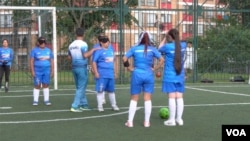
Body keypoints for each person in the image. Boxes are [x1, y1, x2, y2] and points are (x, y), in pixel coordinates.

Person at [122, 31, 164, 127]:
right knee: (147, 98)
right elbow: (162, 60)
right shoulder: (152, 49)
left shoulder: (134, 48)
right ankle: (146, 122)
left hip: (137, 74)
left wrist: (129, 68)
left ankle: (130, 122)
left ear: (139, 38)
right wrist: (155, 68)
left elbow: (124, 58)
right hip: (148, 75)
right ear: (149, 39)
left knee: (134, 99)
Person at [158, 28, 187, 126]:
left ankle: (172, 120)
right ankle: (179, 119)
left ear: (170, 37)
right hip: (180, 75)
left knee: (171, 97)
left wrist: (164, 38)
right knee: (179, 97)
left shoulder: (167, 46)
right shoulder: (183, 45)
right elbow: (180, 42)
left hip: (170, 75)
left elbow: (159, 48)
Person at [68, 27, 99, 112]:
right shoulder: (83, 44)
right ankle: (74, 106)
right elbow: (85, 55)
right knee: (81, 87)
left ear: (76, 34)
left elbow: (69, 57)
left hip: (74, 67)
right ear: (84, 34)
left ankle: (83, 104)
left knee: (80, 86)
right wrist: (93, 50)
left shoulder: (71, 45)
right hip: (81, 67)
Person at [92, 35, 119, 112]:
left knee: (111, 91)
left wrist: (115, 72)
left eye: (108, 42)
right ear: (101, 43)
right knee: (100, 90)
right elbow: (94, 62)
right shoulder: (99, 51)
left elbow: (114, 62)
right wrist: (96, 72)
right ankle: (100, 106)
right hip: (102, 74)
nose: (107, 44)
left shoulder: (111, 51)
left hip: (110, 74)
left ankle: (114, 105)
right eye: (105, 42)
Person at [30, 37, 54, 106]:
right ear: (38, 43)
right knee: (37, 85)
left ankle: (46, 100)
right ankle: (35, 100)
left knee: (46, 84)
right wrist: (32, 71)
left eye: (44, 42)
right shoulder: (34, 51)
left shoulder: (49, 50)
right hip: (37, 71)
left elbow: (52, 61)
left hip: (46, 70)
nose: (43, 44)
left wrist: (52, 70)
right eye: (41, 42)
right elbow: (31, 61)